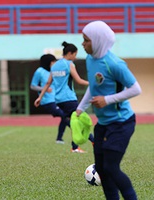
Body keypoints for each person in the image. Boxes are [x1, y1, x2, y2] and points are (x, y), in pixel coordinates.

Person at [77, 20, 141, 199]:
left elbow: (136, 89)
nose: (83, 43)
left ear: (98, 40)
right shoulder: (90, 60)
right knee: (103, 171)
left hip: (121, 123)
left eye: (86, 40)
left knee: (111, 167)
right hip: (103, 124)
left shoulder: (115, 64)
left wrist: (107, 100)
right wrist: (80, 108)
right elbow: (93, 86)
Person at [34, 41, 93, 153]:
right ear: (70, 53)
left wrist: (39, 98)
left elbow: (48, 83)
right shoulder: (69, 64)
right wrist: (92, 83)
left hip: (58, 100)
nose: (75, 57)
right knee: (78, 121)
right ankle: (81, 144)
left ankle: (77, 145)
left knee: (71, 122)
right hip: (69, 98)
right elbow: (78, 80)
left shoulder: (55, 66)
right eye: (75, 54)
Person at [31, 54, 67, 144]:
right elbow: (33, 86)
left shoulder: (54, 71)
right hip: (47, 101)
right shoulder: (40, 71)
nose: (54, 63)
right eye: (53, 61)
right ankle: (80, 133)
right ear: (49, 62)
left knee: (66, 116)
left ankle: (59, 139)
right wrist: (44, 89)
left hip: (58, 99)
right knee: (65, 116)